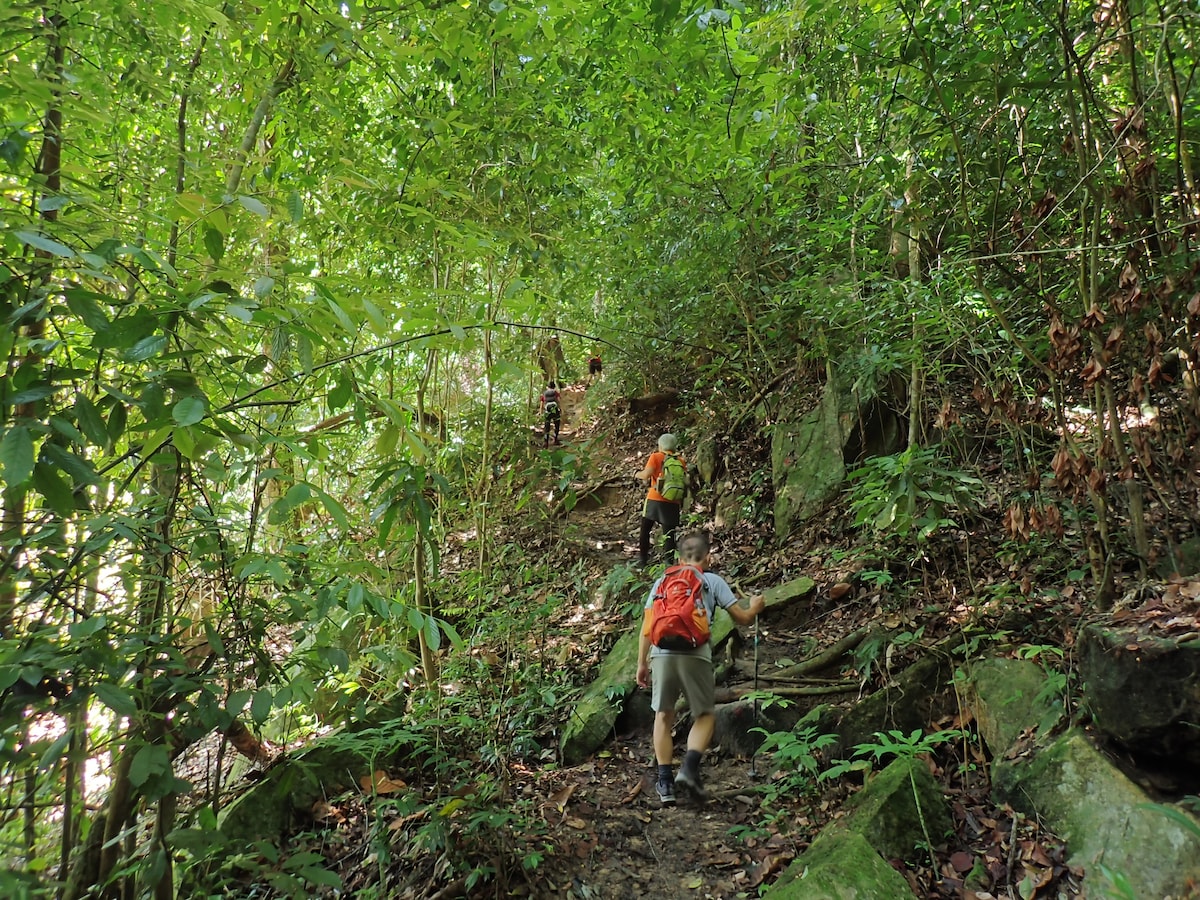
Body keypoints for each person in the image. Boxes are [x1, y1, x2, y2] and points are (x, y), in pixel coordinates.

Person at [636, 531, 765, 806]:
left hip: (662, 655)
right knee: (705, 715)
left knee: (663, 715)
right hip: (696, 655)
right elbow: (743, 618)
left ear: (680, 558)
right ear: (708, 557)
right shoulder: (712, 581)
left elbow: (647, 628)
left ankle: (665, 783)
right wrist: (755, 607)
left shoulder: (662, 582)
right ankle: (688, 769)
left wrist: (641, 663)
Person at [634, 433, 684, 567]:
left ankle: (643, 561)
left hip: (655, 498)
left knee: (645, 530)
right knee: (669, 534)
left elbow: (646, 474)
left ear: (660, 446)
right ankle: (668, 564)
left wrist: (636, 474)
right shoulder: (680, 461)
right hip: (673, 500)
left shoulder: (656, 457)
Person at [540, 381, 561, 446]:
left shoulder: (544, 393)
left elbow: (542, 403)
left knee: (547, 426)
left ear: (547, 387)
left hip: (547, 410)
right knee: (557, 424)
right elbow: (558, 401)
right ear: (554, 387)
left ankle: (545, 442)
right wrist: (560, 409)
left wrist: (540, 412)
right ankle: (556, 439)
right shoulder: (556, 392)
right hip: (555, 409)